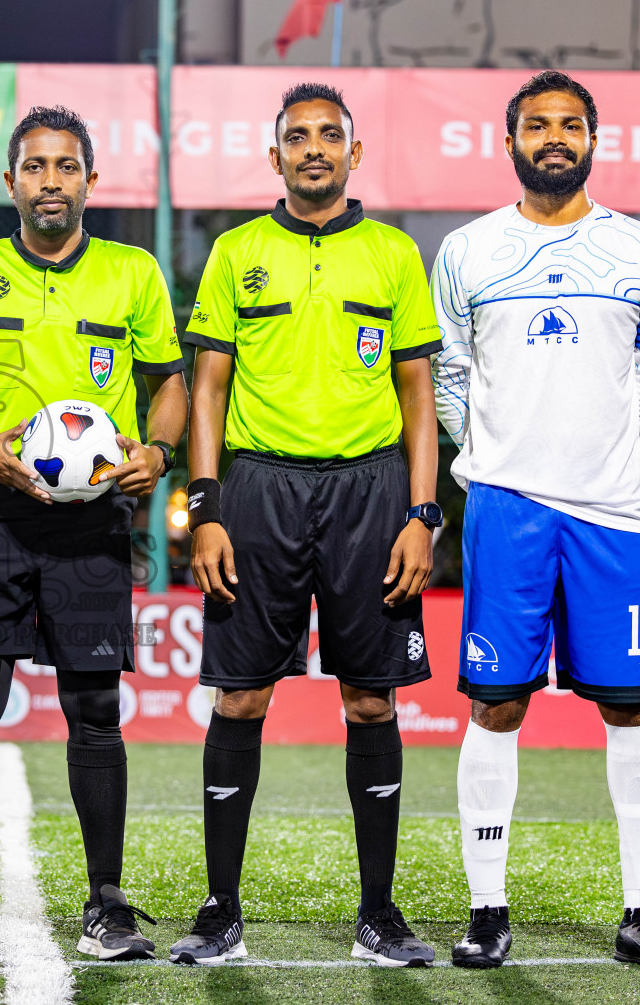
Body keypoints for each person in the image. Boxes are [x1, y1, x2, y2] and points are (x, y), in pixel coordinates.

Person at [0, 105, 188, 962]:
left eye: (66, 166)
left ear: (91, 180)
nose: (50, 181)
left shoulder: (132, 272)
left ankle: (107, 902)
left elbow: (167, 381)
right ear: (11, 181)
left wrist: (159, 451)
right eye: (35, 167)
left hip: (92, 519)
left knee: (96, 712)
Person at [431, 71, 640, 971]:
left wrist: (597, 434)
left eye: (570, 125)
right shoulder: (468, 250)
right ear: (508, 142)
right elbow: (450, 379)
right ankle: (486, 910)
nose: (555, 137)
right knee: (496, 704)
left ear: (593, 139)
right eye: (537, 125)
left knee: (632, 706)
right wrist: (506, 450)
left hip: (612, 513)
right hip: (505, 509)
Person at [175, 83, 442, 967]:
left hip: (371, 496)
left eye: (331, 136)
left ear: (354, 155)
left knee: (371, 696)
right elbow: (207, 388)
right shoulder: (235, 252)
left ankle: (379, 916)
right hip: (258, 492)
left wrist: (422, 513)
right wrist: (206, 507)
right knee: (241, 695)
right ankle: (220, 912)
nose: (315, 148)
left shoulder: (395, 255)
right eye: (299, 137)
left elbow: (417, 398)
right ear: (275, 155)